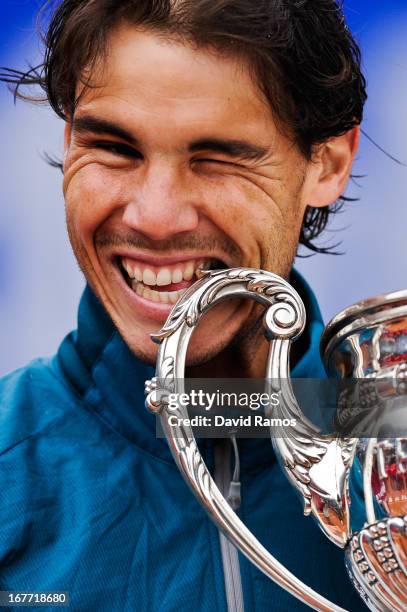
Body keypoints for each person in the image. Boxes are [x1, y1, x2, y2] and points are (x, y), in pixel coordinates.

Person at [0, 1, 367, 610]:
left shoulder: (390, 461)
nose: (155, 217)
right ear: (69, 144)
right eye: (116, 147)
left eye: (217, 158)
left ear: (327, 163)